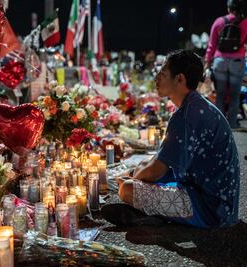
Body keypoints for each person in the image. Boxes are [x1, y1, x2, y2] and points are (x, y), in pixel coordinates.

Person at [102, 50, 240, 228]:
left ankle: (153, 215)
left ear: (180, 79)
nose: (157, 78)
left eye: (163, 74)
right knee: (140, 173)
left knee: (127, 189)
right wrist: (139, 172)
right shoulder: (194, 105)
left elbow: (157, 169)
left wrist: (135, 178)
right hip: (214, 197)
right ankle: (152, 214)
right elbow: (162, 157)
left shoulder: (187, 115)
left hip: (211, 209)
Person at [205, 0, 247, 129]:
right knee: (235, 95)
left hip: (220, 61)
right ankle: (232, 124)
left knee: (220, 94)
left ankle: (220, 123)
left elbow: (211, 44)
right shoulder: (245, 23)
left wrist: (207, 61)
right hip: (237, 61)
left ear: (228, 8)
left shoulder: (219, 21)